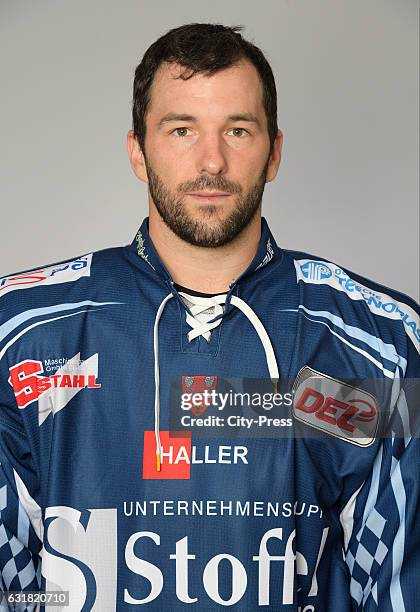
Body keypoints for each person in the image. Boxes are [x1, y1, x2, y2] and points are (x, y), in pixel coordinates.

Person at [0, 22, 418, 611]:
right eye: (181, 129)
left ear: (273, 152)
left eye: (238, 130)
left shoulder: (379, 346)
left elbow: (401, 585)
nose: (212, 160)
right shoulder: (20, 334)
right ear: (137, 152)